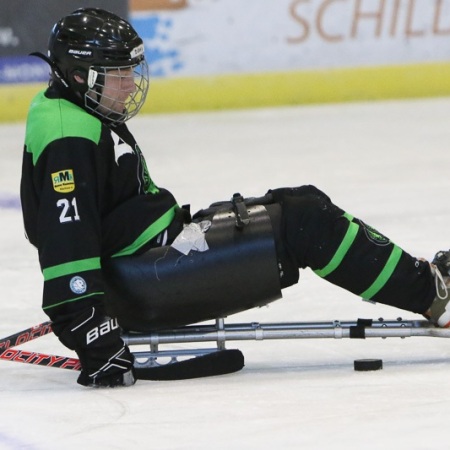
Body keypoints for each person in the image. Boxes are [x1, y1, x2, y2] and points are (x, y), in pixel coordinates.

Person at [20, 7, 450, 388]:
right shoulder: (67, 138)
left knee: (297, 201)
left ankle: (424, 280)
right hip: (147, 279)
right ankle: (433, 297)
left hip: (153, 258)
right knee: (305, 220)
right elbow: (66, 241)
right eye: (118, 74)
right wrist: (90, 329)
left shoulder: (72, 109)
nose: (130, 82)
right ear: (79, 76)